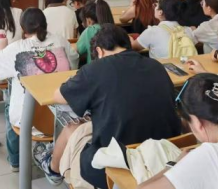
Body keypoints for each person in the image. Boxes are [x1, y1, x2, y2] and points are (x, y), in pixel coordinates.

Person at [35, 24, 182, 188]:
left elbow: (58, 96)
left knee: (74, 130)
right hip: (164, 154)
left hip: (117, 162)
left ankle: (53, 170)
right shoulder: (156, 66)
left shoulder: (94, 70)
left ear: (99, 51)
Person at [0, 8, 78, 171]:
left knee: (9, 103)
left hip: (29, 120)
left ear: (23, 28)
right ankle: (50, 150)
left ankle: (16, 161)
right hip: (62, 117)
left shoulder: (17, 48)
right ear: (45, 23)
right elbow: (74, 62)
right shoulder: (60, 41)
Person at [76, 0, 114, 65]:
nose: (82, 23)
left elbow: (77, 51)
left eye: (83, 20)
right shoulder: (116, 30)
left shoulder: (89, 31)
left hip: (94, 69)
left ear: (89, 20)